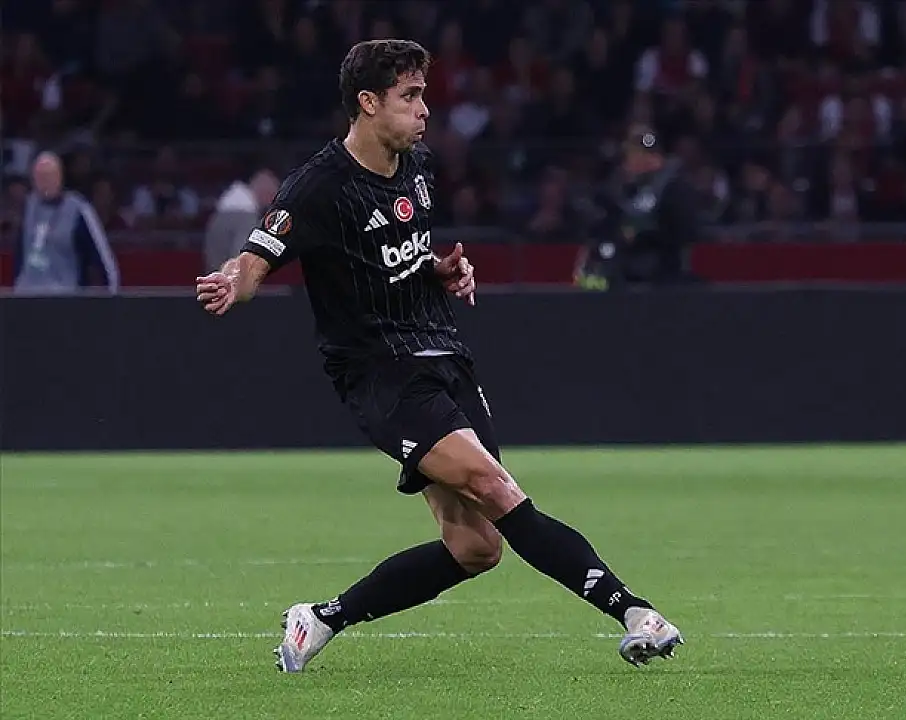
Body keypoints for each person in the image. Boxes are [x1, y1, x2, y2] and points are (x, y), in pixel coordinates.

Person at [194, 39, 682, 673]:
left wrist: (440, 270)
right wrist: (232, 281)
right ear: (368, 103)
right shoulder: (318, 186)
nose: (425, 110)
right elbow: (257, 256)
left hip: (445, 356)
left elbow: (395, 258)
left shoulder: (418, 167)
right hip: (383, 375)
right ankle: (636, 613)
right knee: (496, 487)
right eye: (411, 96)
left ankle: (320, 618)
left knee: (476, 546)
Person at [575, 124, 700, 290]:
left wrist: (641, 235)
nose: (625, 163)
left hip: (663, 279)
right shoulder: (630, 187)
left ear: (646, 156)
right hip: (630, 275)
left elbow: (682, 233)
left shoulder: (675, 187)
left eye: (630, 155)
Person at [13, 151, 120, 295]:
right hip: (26, 295)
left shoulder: (79, 210)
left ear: (60, 177)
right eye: (39, 176)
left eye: (49, 175)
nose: (44, 181)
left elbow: (105, 262)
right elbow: (21, 254)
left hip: (65, 297)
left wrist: (113, 299)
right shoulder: (28, 207)